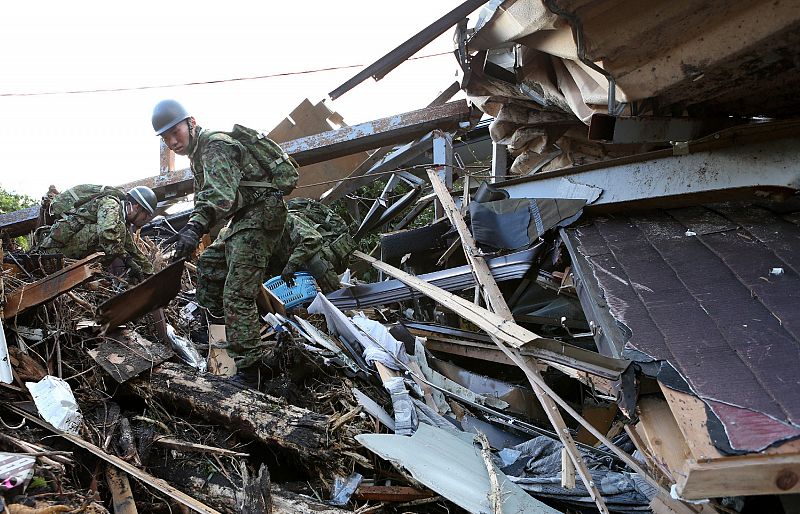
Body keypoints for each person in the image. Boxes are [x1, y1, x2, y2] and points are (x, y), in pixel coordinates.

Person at [153, 99, 293, 364]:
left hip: (260, 214)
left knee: (237, 292)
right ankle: (218, 342)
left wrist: (194, 228)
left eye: (175, 132)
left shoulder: (214, 145)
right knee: (209, 265)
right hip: (244, 218)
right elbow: (206, 198)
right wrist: (192, 229)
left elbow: (220, 195)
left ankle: (251, 364)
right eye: (165, 138)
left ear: (191, 123)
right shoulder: (198, 155)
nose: (172, 142)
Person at [38, 185, 158, 281]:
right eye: (145, 216)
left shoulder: (121, 217)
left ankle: (88, 274)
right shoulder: (111, 203)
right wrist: (128, 260)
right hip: (55, 252)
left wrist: (149, 271)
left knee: (120, 233)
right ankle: (89, 274)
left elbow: (132, 249)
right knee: (116, 235)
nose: (144, 220)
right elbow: (107, 235)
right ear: (137, 207)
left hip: (66, 249)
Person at [271, 199, 356, 293]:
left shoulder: (288, 219)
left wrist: (291, 264)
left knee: (313, 260)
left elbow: (313, 239)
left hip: (331, 249)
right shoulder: (262, 233)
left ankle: (335, 294)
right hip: (301, 259)